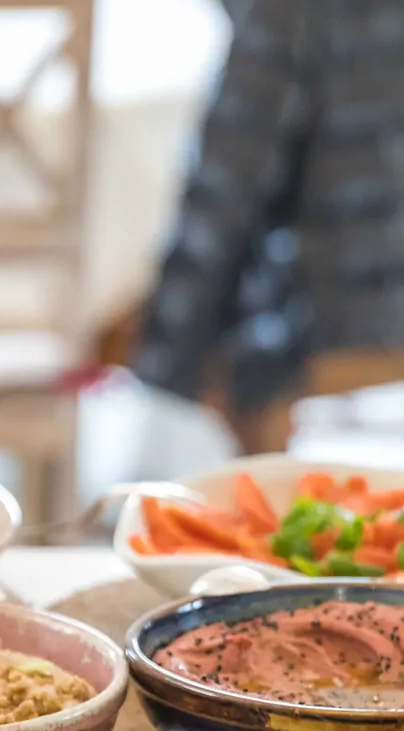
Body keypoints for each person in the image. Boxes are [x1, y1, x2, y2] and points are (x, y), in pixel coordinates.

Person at [126, 0, 404, 454]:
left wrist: (163, 375)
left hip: (322, 325)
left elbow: (223, 200)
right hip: (376, 308)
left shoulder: (282, 13)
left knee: (205, 362)